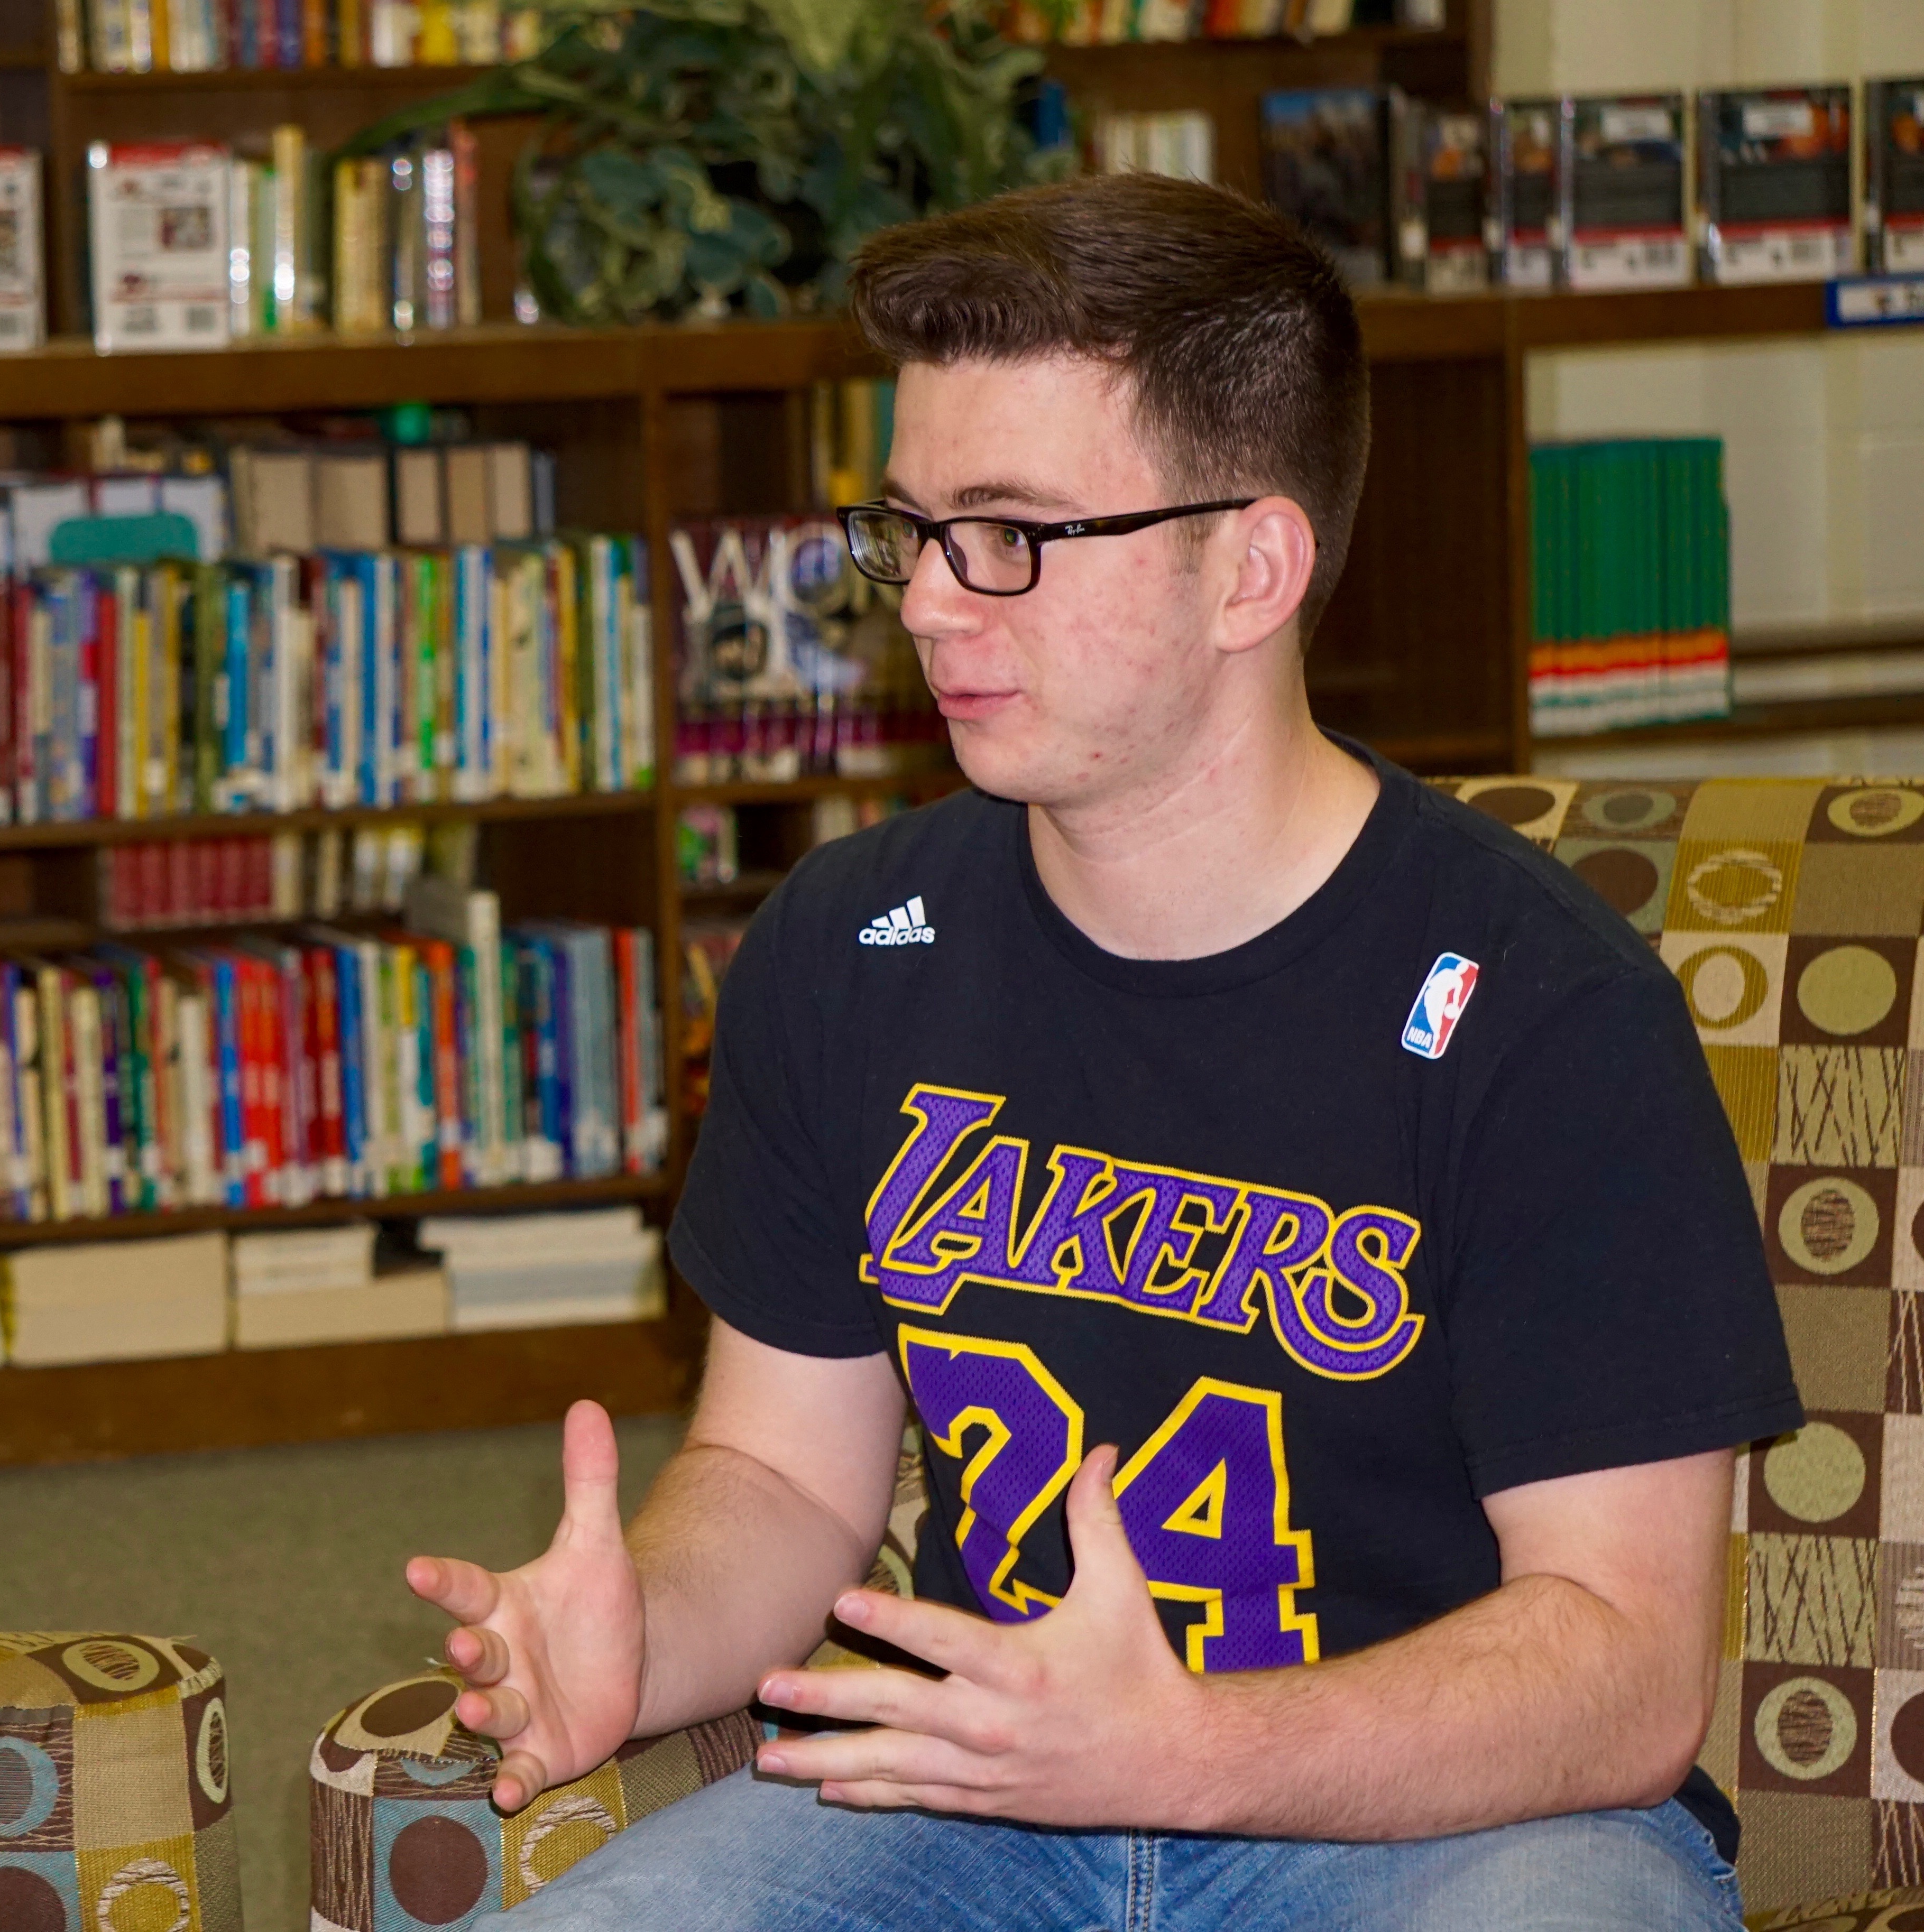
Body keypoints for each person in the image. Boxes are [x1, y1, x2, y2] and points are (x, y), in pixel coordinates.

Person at [407, 172, 1801, 1929]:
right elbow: (780, 1476)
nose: (929, 604)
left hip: (1463, 1824)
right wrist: (647, 1627)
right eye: (911, 528)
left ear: (1253, 569)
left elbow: (1623, 1670)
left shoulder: (1546, 1012)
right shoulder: (844, 947)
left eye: (1011, 534)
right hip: (974, 1793)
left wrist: (1187, 1750)